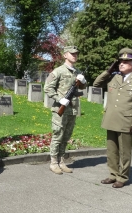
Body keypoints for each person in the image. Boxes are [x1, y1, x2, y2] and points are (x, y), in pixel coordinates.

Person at [93, 47, 132, 188]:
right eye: (120, 61)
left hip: (126, 121)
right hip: (111, 119)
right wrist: (108, 71)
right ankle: (113, 174)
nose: (121, 64)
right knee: (111, 150)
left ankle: (122, 178)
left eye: (126, 61)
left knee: (124, 152)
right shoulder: (114, 76)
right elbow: (96, 84)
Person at [44, 46, 87, 175]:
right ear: (65, 55)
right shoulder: (58, 71)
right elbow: (47, 88)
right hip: (60, 109)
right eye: (72, 54)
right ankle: (53, 163)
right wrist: (59, 99)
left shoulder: (77, 72)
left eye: (76, 54)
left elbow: (83, 87)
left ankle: (61, 161)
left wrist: (83, 82)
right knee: (58, 135)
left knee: (66, 136)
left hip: (72, 109)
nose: (75, 56)